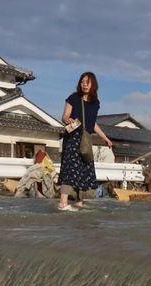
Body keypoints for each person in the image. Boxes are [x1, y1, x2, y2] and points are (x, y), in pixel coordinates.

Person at [57, 72, 113, 211]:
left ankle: (78, 201)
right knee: (70, 168)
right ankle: (63, 202)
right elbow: (64, 116)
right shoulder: (73, 98)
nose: (85, 84)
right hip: (72, 138)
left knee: (83, 170)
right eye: (82, 82)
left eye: (87, 82)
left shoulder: (95, 103)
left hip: (85, 139)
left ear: (93, 84)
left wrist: (104, 138)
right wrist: (67, 119)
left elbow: (92, 123)